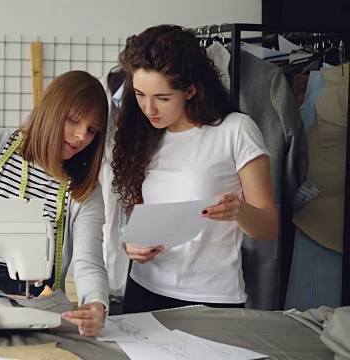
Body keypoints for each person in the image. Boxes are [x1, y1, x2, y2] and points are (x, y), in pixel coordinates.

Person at [111, 25, 279, 313]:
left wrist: (240, 211)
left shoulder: (235, 130)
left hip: (211, 297)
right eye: (139, 94)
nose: (148, 108)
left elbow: (269, 227)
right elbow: (141, 214)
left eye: (162, 98)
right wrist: (133, 245)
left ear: (190, 90)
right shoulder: (142, 136)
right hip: (144, 289)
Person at [0, 70, 110, 336]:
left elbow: (89, 261)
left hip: (41, 307)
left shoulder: (83, 187)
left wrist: (96, 304)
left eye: (91, 130)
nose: (80, 136)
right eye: (73, 120)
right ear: (52, 110)